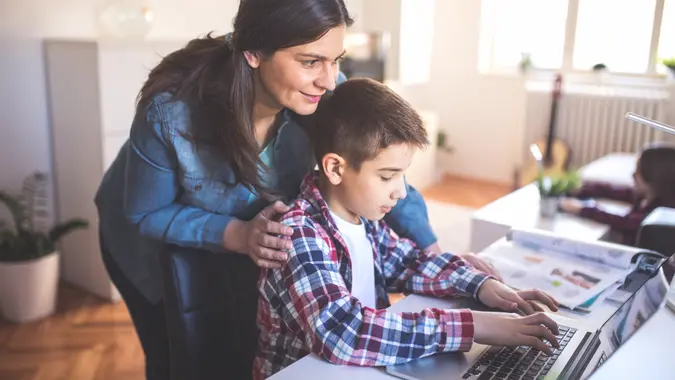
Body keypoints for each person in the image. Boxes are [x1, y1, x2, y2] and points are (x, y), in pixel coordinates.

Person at [94, 0, 499, 378]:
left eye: (335, 59)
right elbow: (146, 213)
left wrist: (431, 252)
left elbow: (378, 167)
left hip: (254, 237)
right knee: (179, 358)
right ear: (253, 53)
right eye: (310, 61)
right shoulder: (172, 114)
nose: (328, 80)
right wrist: (236, 234)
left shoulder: (322, 87)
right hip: (148, 235)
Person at [254, 78, 560, 379]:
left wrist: (482, 286)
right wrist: (475, 325)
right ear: (336, 168)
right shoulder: (298, 233)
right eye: (387, 176)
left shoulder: (364, 219)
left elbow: (410, 263)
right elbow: (344, 333)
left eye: (403, 176)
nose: (400, 192)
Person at [559, 144, 675, 245]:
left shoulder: (660, 214)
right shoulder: (646, 195)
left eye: (639, 170)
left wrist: (581, 209)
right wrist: (581, 188)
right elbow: (613, 191)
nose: (633, 175)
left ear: (654, 177)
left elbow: (624, 222)